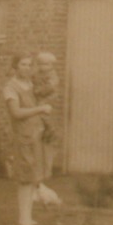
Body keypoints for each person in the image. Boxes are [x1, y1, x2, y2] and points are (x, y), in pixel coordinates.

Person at [3, 52, 54, 225]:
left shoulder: (31, 84)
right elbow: (16, 113)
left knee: (33, 176)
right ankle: (23, 219)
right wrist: (39, 109)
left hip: (35, 135)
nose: (26, 68)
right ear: (15, 67)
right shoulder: (11, 87)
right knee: (25, 177)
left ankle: (28, 218)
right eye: (22, 65)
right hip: (23, 136)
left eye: (28, 64)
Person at [33, 50, 62, 205]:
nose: (42, 66)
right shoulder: (36, 74)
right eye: (40, 64)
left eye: (45, 64)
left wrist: (36, 91)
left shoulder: (53, 76)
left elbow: (48, 89)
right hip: (39, 104)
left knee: (45, 119)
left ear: (51, 65)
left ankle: (48, 130)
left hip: (46, 105)